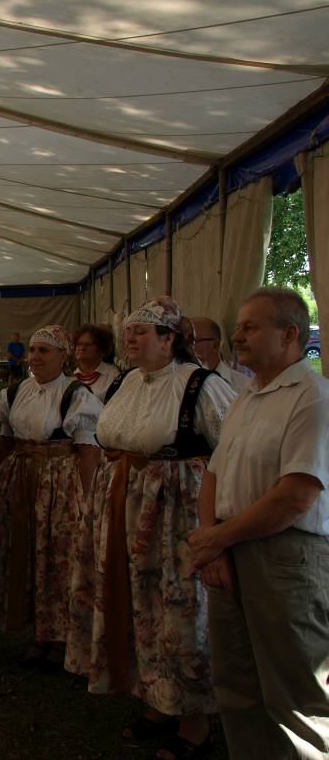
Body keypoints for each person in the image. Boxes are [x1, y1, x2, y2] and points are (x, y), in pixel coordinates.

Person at [64, 296, 235, 760]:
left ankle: (196, 722)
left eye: (142, 331)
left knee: (179, 609)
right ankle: (159, 700)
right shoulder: (127, 382)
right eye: (129, 332)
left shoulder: (200, 385)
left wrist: (217, 526)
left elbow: (230, 453)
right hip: (126, 503)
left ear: (169, 339)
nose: (131, 338)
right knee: (140, 605)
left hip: (175, 514)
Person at [188, 288, 329, 760]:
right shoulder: (247, 396)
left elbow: (296, 496)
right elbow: (214, 473)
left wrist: (215, 538)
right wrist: (214, 541)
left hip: (285, 556)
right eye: (238, 326)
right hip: (231, 547)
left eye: (251, 327)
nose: (238, 336)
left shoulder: (313, 397)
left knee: (295, 695)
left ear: (289, 335)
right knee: (237, 688)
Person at [0, 326, 102, 669]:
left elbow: (88, 450)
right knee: (25, 550)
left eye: (44, 351)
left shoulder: (75, 394)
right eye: (33, 350)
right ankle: (36, 632)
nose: (35, 357)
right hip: (20, 478)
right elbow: (5, 440)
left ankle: (61, 635)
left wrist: (88, 500)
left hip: (59, 483)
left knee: (57, 553)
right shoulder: (14, 392)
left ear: (62, 356)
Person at [189, 317, 250, 395]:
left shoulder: (244, 386)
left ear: (215, 345)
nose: (186, 347)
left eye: (192, 340)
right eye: (183, 341)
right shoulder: (178, 382)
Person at [72, 325, 121, 402]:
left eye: (88, 344)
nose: (82, 348)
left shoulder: (113, 375)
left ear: (100, 349)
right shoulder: (69, 374)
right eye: (79, 344)